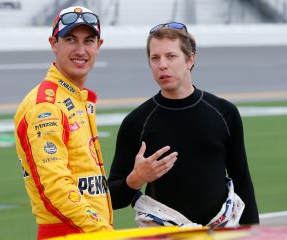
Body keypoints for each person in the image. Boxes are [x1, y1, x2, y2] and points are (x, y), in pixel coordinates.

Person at [108, 22, 259, 227]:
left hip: (221, 231)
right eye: (155, 58)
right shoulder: (137, 122)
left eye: (171, 56)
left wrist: (256, 233)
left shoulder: (224, 113)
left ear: (190, 59)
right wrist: (135, 179)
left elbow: (242, 181)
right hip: (164, 232)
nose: (162, 65)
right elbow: (113, 199)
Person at [14, 6, 113, 239]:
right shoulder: (45, 105)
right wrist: (103, 232)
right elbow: (55, 186)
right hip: (70, 233)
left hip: (88, 231)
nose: (81, 50)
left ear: (98, 47)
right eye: (71, 39)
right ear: (54, 43)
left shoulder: (76, 98)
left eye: (89, 41)